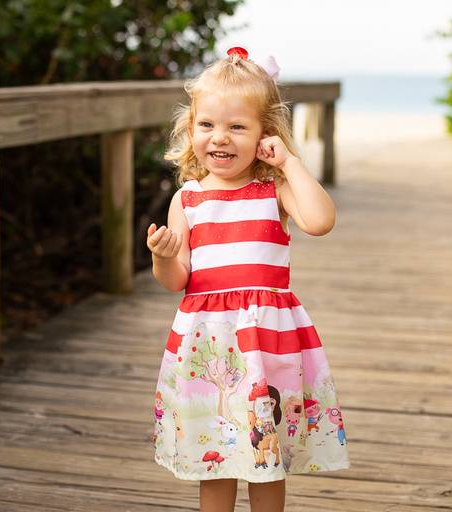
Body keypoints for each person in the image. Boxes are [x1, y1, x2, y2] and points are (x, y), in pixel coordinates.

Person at [146, 47, 350, 512]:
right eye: (207, 124)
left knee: (266, 456)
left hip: (266, 344)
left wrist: (289, 163)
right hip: (209, 346)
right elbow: (177, 280)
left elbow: (320, 221)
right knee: (217, 459)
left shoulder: (273, 191)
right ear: (191, 128)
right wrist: (162, 258)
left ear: (265, 134)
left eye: (237, 127)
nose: (220, 137)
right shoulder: (187, 199)